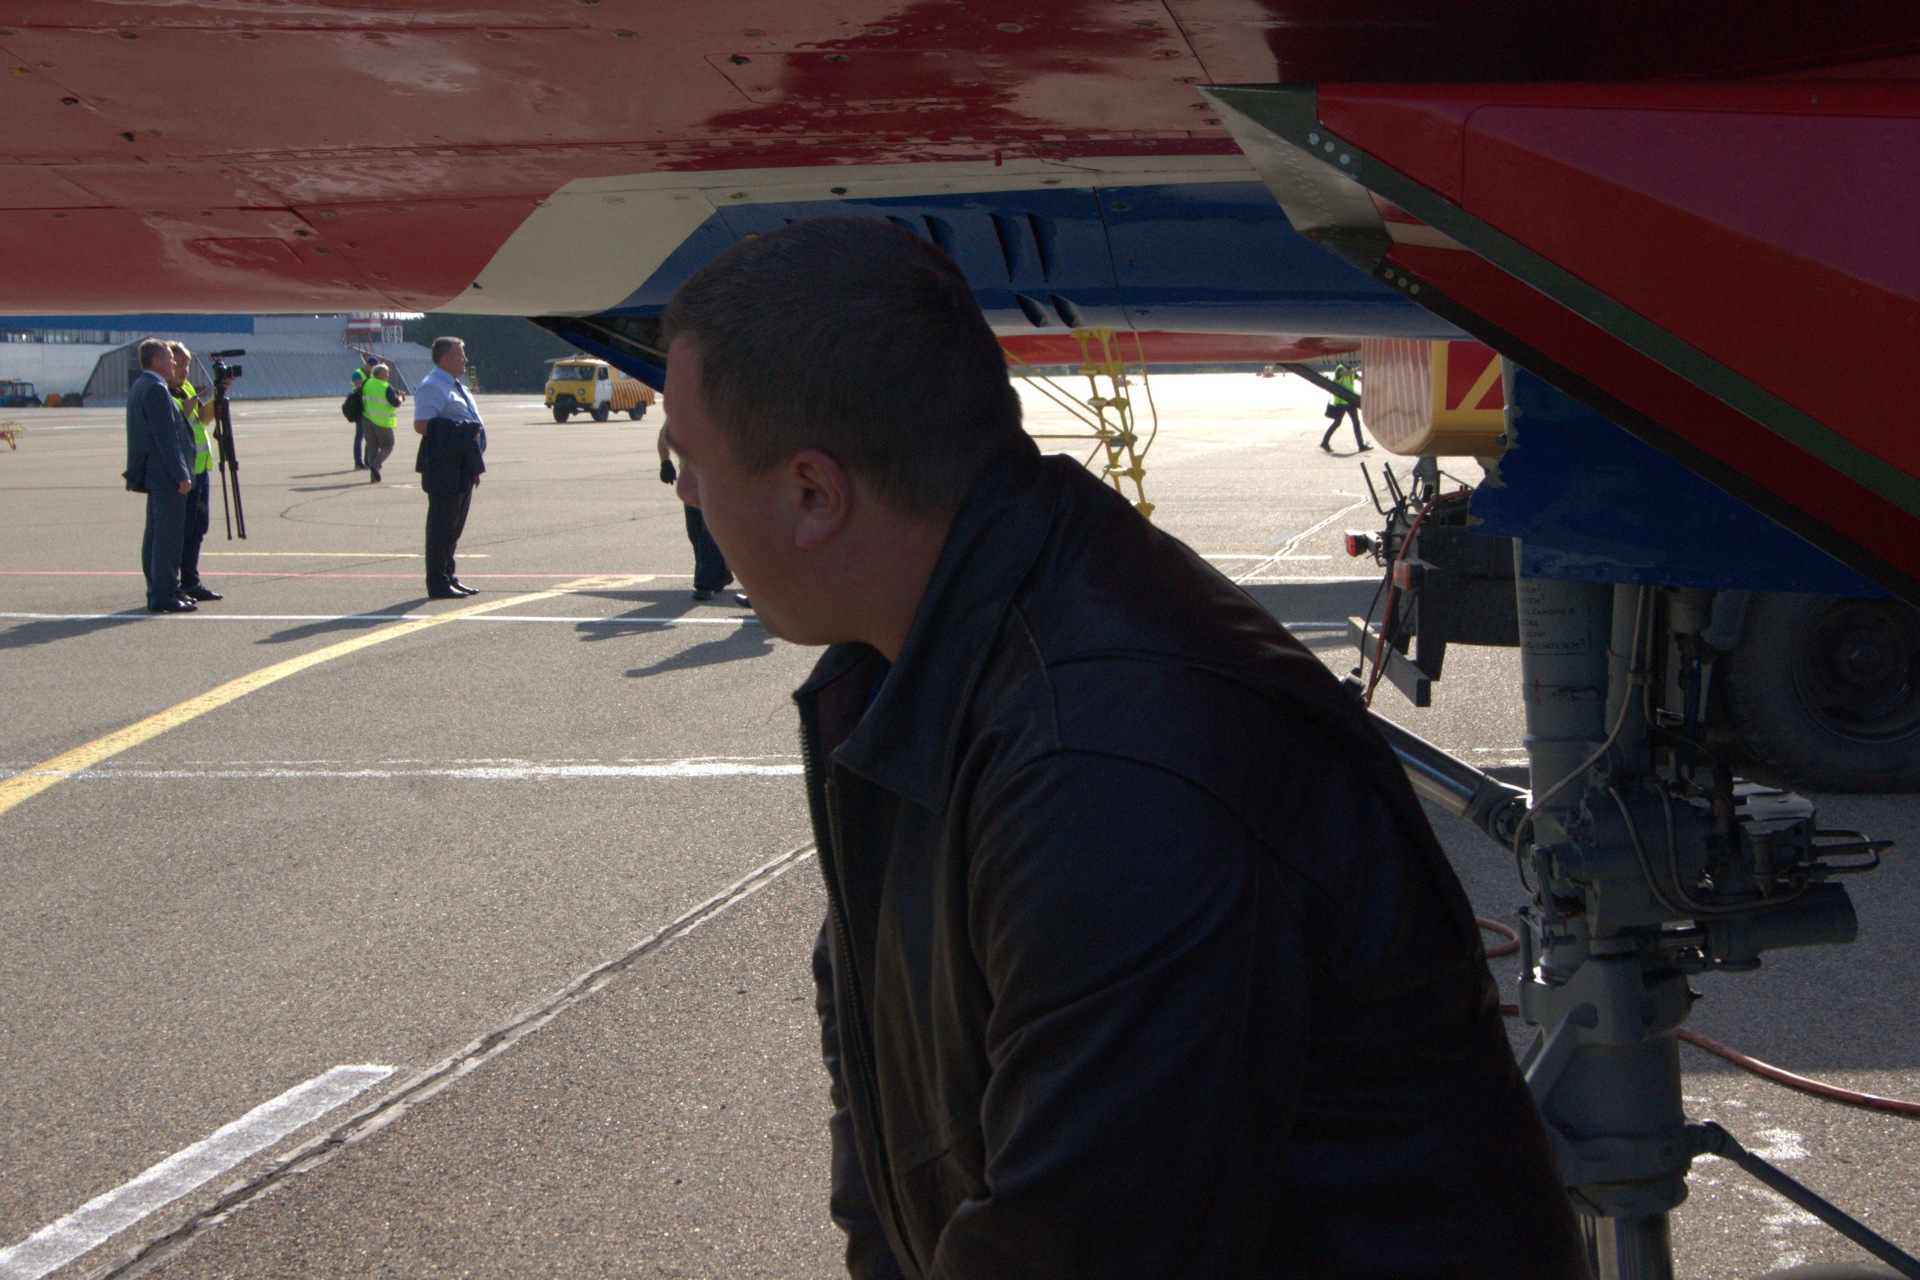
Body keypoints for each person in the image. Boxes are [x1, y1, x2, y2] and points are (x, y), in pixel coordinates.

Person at [659, 218, 1586, 1280]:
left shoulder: (1104, 765)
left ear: (814, 493)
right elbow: (884, 1100)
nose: (685, 494)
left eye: (687, 462)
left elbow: (1084, 1243)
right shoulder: (926, 669)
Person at [123, 338, 197, 614]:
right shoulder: (156, 389)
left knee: (155, 534)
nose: (174, 363)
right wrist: (181, 474)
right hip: (165, 476)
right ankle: (163, 593)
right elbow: (166, 438)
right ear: (155, 361)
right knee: (167, 537)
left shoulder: (141, 386)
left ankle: (161, 588)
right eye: (169, 358)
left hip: (155, 474)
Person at [413, 336, 484, 599]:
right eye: (460, 354)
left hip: (462, 463)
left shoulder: (455, 385)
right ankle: (437, 582)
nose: (465, 360)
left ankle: (448, 575)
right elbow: (422, 424)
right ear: (445, 357)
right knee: (441, 527)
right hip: (445, 465)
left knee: (454, 527)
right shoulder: (432, 386)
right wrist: (465, 429)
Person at [656, 421, 747, 605]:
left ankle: (705, 584)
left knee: (709, 532)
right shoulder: (682, 413)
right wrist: (665, 462)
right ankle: (720, 574)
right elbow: (663, 437)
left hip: (715, 481)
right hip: (691, 483)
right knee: (695, 532)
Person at [163, 342, 224, 603]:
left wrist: (218, 397)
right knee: (183, 530)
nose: (184, 370)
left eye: (186, 364)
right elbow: (172, 428)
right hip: (184, 472)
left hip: (200, 469)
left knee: (198, 528)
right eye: (179, 364)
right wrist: (186, 413)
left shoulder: (185, 388)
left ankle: (191, 581)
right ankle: (174, 583)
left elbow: (202, 419)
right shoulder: (165, 391)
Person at [360, 361, 403, 483]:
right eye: (386, 373)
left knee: (372, 446)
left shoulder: (366, 383)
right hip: (382, 421)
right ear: (379, 374)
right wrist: (400, 397)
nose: (388, 376)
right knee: (388, 446)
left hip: (367, 419)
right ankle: (375, 465)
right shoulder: (386, 386)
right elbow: (396, 403)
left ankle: (374, 476)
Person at [1319, 361, 1368, 452]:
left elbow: (1361, 380)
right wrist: (1357, 369)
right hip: (1341, 402)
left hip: (1350, 402)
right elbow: (1344, 374)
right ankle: (1324, 442)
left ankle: (1361, 446)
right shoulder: (1340, 368)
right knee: (1337, 422)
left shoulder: (1351, 371)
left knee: (1356, 422)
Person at [349, 353, 377, 469]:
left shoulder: (372, 375)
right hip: (360, 408)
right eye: (372, 367)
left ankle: (367, 461)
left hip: (369, 408)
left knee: (369, 436)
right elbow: (359, 388)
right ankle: (358, 462)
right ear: (368, 364)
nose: (372, 369)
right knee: (359, 435)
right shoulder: (357, 374)